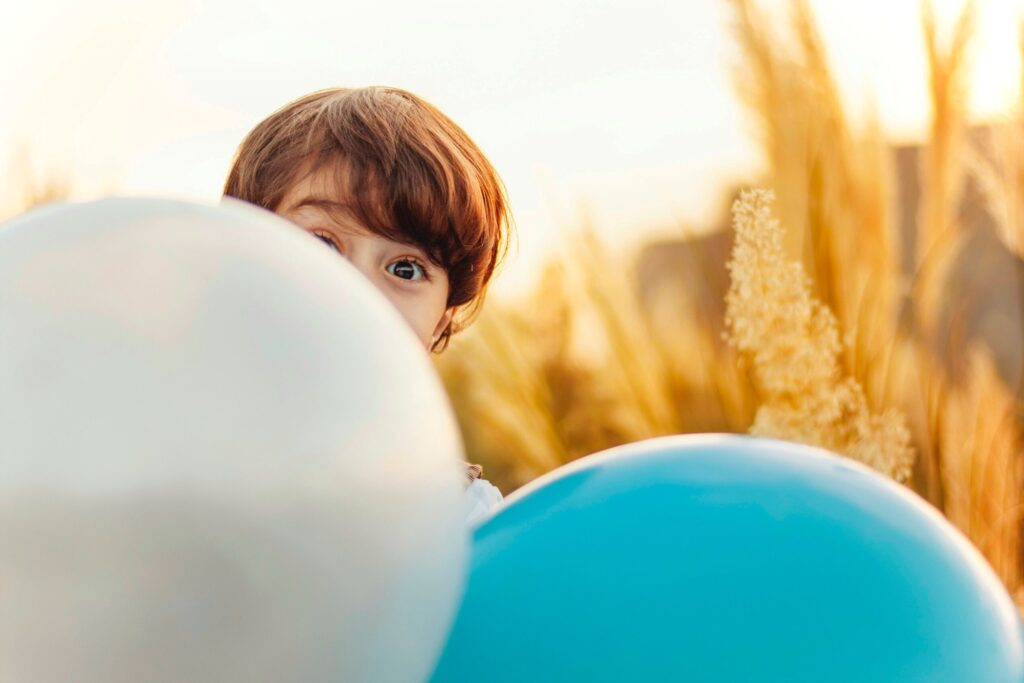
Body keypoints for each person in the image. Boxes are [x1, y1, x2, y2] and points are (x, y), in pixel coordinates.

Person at [223, 86, 508, 524]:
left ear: (442, 319)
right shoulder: (178, 466)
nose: (357, 289)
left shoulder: (461, 518)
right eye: (321, 242)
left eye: (406, 269)